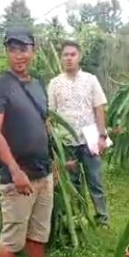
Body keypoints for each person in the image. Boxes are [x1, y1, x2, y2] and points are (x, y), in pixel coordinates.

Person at [0, 27, 58, 257]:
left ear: (33, 50)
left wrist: (52, 160)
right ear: (6, 52)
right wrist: (14, 170)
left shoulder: (38, 85)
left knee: (39, 233)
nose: (19, 54)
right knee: (12, 238)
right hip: (17, 178)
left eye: (24, 48)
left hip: (43, 173)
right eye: (13, 49)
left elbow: (43, 125)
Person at [47, 40, 109, 225]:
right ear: (61, 58)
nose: (69, 58)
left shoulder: (91, 80)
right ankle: (79, 216)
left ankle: (102, 217)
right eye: (65, 55)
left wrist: (102, 135)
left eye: (72, 54)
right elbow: (50, 113)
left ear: (79, 56)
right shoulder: (55, 83)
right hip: (65, 140)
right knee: (72, 181)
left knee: (95, 179)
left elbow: (98, 108)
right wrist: (51, 141)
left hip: (89, 136)